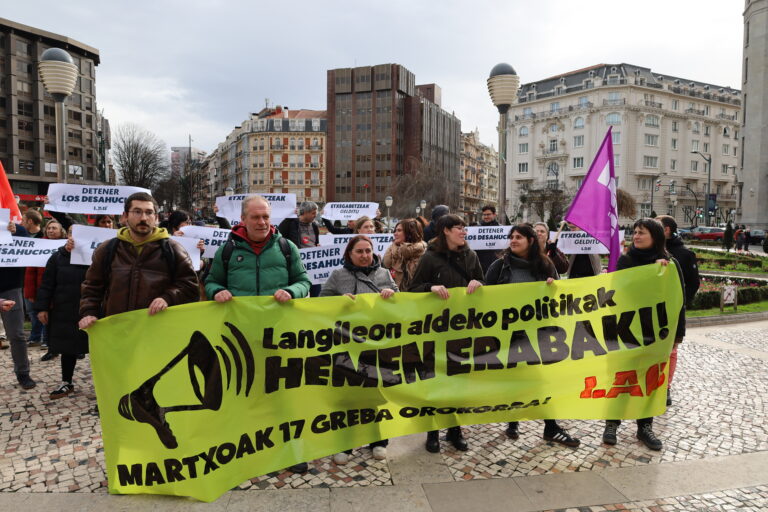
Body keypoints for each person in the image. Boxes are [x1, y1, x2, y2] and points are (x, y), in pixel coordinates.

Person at [205, 194, 311, 473]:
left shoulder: (287, 248)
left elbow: (304, 281)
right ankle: (247, 452)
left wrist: (292, 291)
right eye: (256, 217)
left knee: (284, 396)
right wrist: (217, 291)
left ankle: (292, 451)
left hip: (279, 337)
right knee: (244, 395)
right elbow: (211, 281)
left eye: (266, 216)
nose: (262, 222)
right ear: (244, 219)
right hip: (240, 338)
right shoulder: (227, 251)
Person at [485, 224, 581, 447]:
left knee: (541, 381)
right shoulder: (499, 267)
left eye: (519, 237)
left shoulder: (545, 264)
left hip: (538, 334)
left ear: (530, 240)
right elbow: (486, 299)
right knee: (514, 379)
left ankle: (551, 426)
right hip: (509, 335)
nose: (514, 240)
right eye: (512, 237)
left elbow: (557, 295)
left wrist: (552, 286)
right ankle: (512, 420)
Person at [603, 218, 686, 451]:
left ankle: (645, 426)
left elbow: (678, 302)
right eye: (635, 233)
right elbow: (619, 293)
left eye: (642, 233)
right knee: (620, 378)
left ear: (656, 237)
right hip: (626, 331)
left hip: (655, 333)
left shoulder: (670, 264)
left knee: (650, 381)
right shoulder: (626, 260)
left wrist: (677, 336)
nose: (636, 236)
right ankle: (612, 424)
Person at [408, 214, 484, 453]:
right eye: (459, 228)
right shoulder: (430, 258)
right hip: (436, 331)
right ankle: (432, 431)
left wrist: (479, 285)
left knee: (459, 382)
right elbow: (412, 290)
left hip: (462, 330)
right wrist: (430, 288)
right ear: (445, 231)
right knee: (436, 379)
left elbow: (484, 285)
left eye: (465, 228)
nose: (464, 231)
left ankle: (454, 429)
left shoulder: (471, 256)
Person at [320, 235, 398, 464]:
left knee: (376, 393)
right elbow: (320, 302)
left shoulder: (383, 274)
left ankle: (378, 440)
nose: (365, 256)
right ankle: (345, 442)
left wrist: (392, 296)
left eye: (368, 251)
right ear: (349, 254)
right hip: (347, 346)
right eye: (359, 251)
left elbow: (401, 303)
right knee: (348, 395)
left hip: (377, 345)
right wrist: (338, 301)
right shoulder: (338, 275)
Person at [79, 192, 200, 330]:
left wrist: (168, 298)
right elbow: (92, 287)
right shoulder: (107, 249)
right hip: (116, 330)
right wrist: (89, 313)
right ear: (125, 216)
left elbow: (190, 287)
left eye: (149, 213)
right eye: (137, 212)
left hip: (156, 332)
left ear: (156, 217)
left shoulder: (173, 250)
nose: (143, 218)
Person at [35, 226, 90, 399]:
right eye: (73, 234)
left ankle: (103, 385)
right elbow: (47, 284)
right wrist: (42, 307)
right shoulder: (57, 257)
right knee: (67, 348)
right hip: (64, 310)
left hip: (90, 310)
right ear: (68, 236)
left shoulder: (95, 258)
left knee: (96, 349)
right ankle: (67, 382)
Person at [656, 215, 699, 406]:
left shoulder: (684, 254)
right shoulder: (648, 252)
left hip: (672, 311)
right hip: (648, 309)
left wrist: (680, 303)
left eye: (656, 225)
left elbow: (693, 283)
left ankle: (665, 387)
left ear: (666, 230)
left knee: (671, 350)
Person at [25, 219, 67, 362]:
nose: (50, 231)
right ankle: (51, 348)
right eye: (49, 228)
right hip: (45, 289)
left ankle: (71, 349)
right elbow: (30, 270)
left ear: (61, 231)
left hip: (63, 289)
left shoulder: (68, 245)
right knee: (47, 320)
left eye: (54, 228)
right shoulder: (40, 244)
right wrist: (30, 292)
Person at [1, 220, 36, 389]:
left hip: (10, 288)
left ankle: (23, 373)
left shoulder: (17, 229)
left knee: (16, 334)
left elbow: (28, 249)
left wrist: (16, 232)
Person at [382, 218, 427, 290]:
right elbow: (386, 265)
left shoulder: (423, 253)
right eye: (395, 230)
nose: (395, 233)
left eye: (399, 230)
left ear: (410, 232)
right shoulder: (392, 250)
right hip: (395, 297)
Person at [476, 205, 502, 273]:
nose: (486, 217)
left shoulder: (502, 229)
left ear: (494, 215)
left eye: (488, 214)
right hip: (481, 263)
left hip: (496, 262)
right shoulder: (476, 229)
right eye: (484, 215)